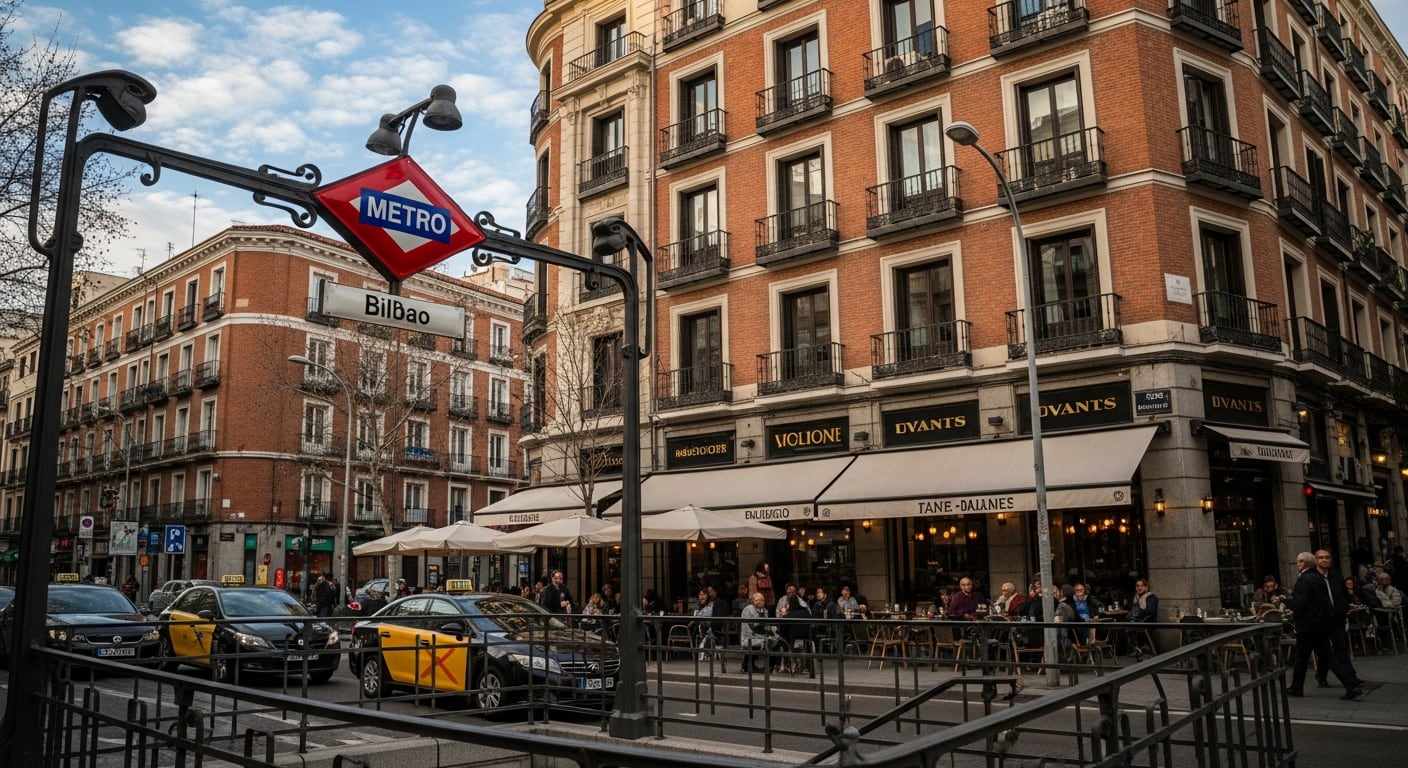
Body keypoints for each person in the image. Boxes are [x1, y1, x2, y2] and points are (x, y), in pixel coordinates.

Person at [1287, 551, 1362, 699]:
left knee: (1313, 656)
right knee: (1312, 656)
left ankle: (1351, 685)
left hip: (1308, 626)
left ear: (1303, 563)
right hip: (1320, 624)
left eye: (1298, 562)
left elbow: (1299, 604)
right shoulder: (1318, 578)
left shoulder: (1304, 579)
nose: (1297, 565)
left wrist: (1285, 601)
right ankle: (1297, 686)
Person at [1313, 550, 1361, 690]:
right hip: (1321, 620)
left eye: (1327, 557)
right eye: (1321, 558)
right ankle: (1321, 676)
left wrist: (1344, 608)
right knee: (1325, 651)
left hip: (1336, 619)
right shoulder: (1312, 577)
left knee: (1340, 648)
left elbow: (1344, 595)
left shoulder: (1336, 576)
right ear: (1316, 560)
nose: (1324, 560)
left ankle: (1351, 677)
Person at [739, 592, 786, 672]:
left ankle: (770, 666)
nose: (761, 602)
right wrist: (768, 629)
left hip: (760, 635)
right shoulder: (748, 609)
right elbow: (754, 626)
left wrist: (772, 630)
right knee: (770, 641)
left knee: (776, 641)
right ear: (753, 601)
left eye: (763, 600)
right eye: (758, 600)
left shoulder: (764, 610)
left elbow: (765, 624)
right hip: (750, 636)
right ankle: (747, 665)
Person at [1127, 577, 1159, 660]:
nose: (1139, 588)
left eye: (1141, 586)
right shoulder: (1136, 598)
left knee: (1130, 626)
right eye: (1137, 586)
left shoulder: (1151, 597)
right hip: (1136, 620)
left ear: (1146, 587)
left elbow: (1151, 611)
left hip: (1147, 622)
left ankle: (1144, 650)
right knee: (1124, 626)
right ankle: (1137, 649)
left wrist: (1140, 605)